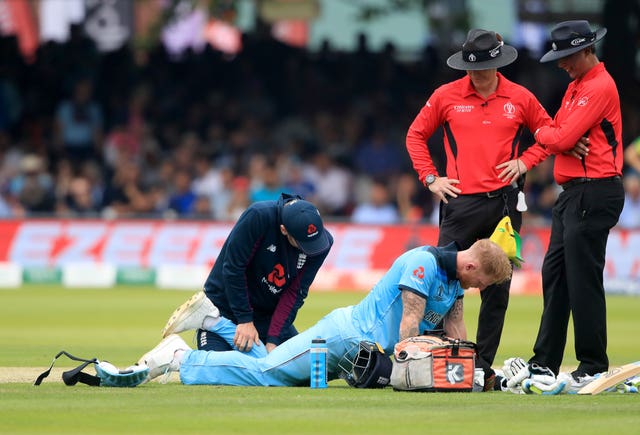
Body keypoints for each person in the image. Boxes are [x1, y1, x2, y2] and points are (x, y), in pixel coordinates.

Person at [138, 239, 512, 386]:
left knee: (285, 373)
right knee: (267, 375)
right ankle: (180, 358)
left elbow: (457, 328)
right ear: (472, 268)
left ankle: (212, 321)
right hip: (344, 337)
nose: (476, 290)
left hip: (358, 353)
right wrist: (405, 372)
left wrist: (472, 371)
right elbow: (409, 323)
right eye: (480, 283)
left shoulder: (454, 283)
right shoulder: (423, 263)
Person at [405, 29, 552, 388]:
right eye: (471, 68)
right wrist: (430, 179)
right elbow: (415, 135)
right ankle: (436, 360)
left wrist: (525, 161)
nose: (476, 75)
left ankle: (482, 369)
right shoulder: (446, 95)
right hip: (458, 202)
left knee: (497, 290)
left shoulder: (519, 97)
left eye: (484, 68)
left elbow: (550, 133)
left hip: (504, 205)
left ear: (498, 63)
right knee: (441, 286)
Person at [512, 20, 624, 392]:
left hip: (594, 191)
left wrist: (555, 137)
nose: (561, 64)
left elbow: (558, 134)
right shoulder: (577, 87)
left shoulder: (598, 86)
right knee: (556, 277)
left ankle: (593, 364)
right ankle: (544, 362)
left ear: (585, 50)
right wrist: (560, 138)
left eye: (565, 57)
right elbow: (560, 135)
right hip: (574, 194)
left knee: (582, 280)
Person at [161, 193, 333, 357]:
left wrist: (274, 340)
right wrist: (245, 320)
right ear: (283, 229)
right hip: (224, 308)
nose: (309, 249)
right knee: (223, 371)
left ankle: (203, 332)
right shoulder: (259, 216)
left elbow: (295, 293)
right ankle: (179, 353)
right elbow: (234, 268)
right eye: (301, 243)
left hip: (267, 317)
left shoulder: (321, 244)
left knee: (296, 373)